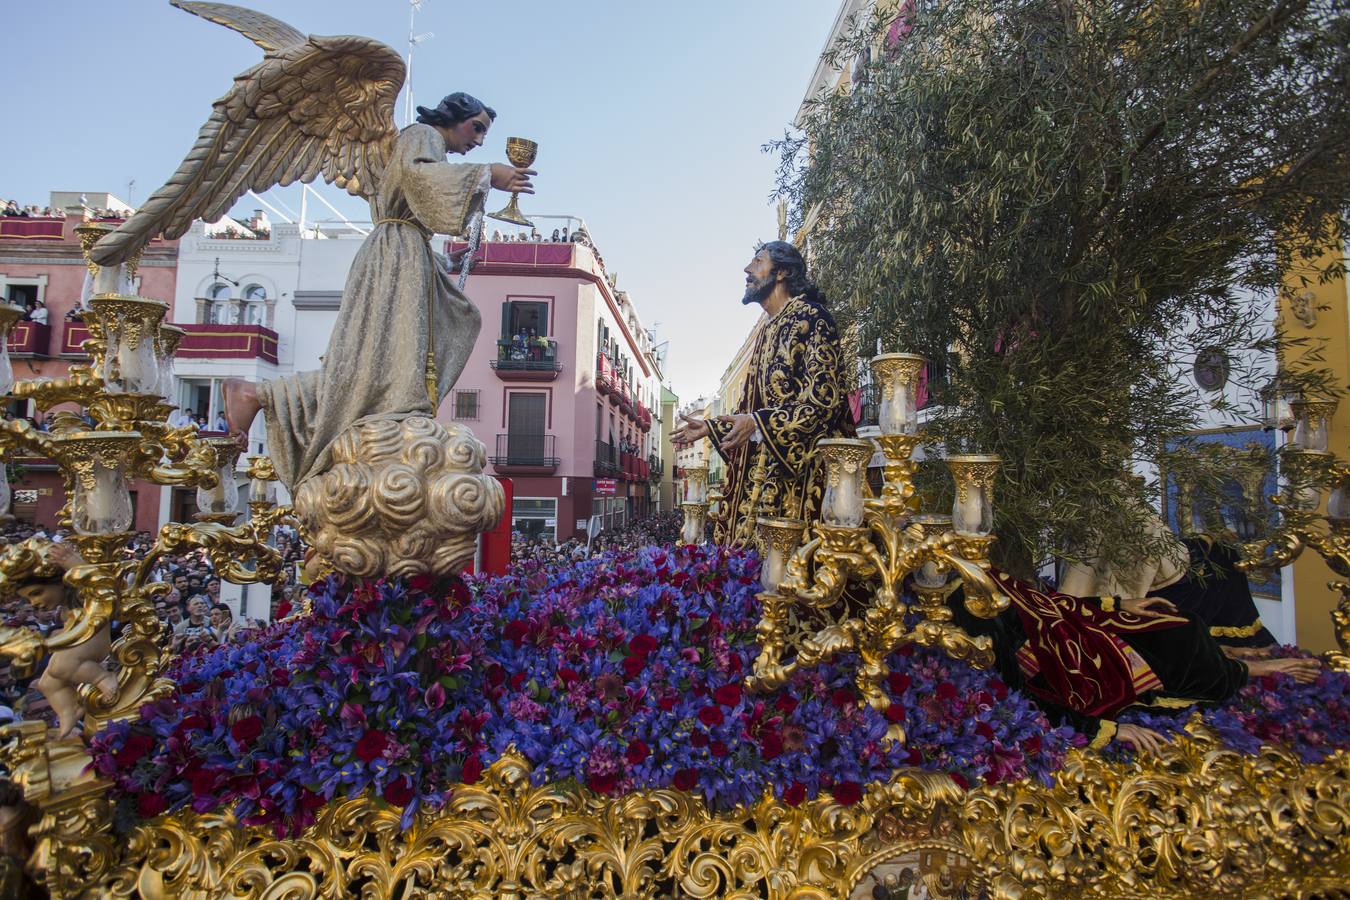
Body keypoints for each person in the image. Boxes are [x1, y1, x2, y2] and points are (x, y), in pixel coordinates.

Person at [214, 92, 536, 492]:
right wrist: (488, 174)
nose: (480, 140)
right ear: (453, 118)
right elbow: (420, 178)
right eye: (477, 128)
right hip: (395, 254)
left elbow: (415, 201)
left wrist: (446, 263)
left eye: (485, 134)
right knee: (383, 362)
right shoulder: (422, 135)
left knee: (395, 357)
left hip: (406, 253)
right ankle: (258, 393)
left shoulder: (423, 149)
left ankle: (266, 395)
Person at [946, 571, 1319, 754]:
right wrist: (1100, 730)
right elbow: (1013, 688)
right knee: (1179, 638)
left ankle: (1233, 657)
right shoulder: (962, 607)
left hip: (1077, 632)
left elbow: (1045, 603)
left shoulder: (974, 572)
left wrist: (1117, 605)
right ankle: (1244, 669)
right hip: (1075, 669)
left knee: (1178, 622)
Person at [671, 241, 853, 547]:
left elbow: (824, 404)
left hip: (802, 486)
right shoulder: (768, 330)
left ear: (781, 272)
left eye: (757, 262)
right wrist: (711, 427)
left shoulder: (812, 319)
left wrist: (757, 424)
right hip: (760, 480)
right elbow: (750, 408)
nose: (747, 270)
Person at [1059, 497, 1276, 652]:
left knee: (1220, 552)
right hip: (1159, 583)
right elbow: (1164, 558)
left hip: (1144, 580)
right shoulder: (1114, 502)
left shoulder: (1097, 501)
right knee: (1223, 554)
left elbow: (1159, 550)